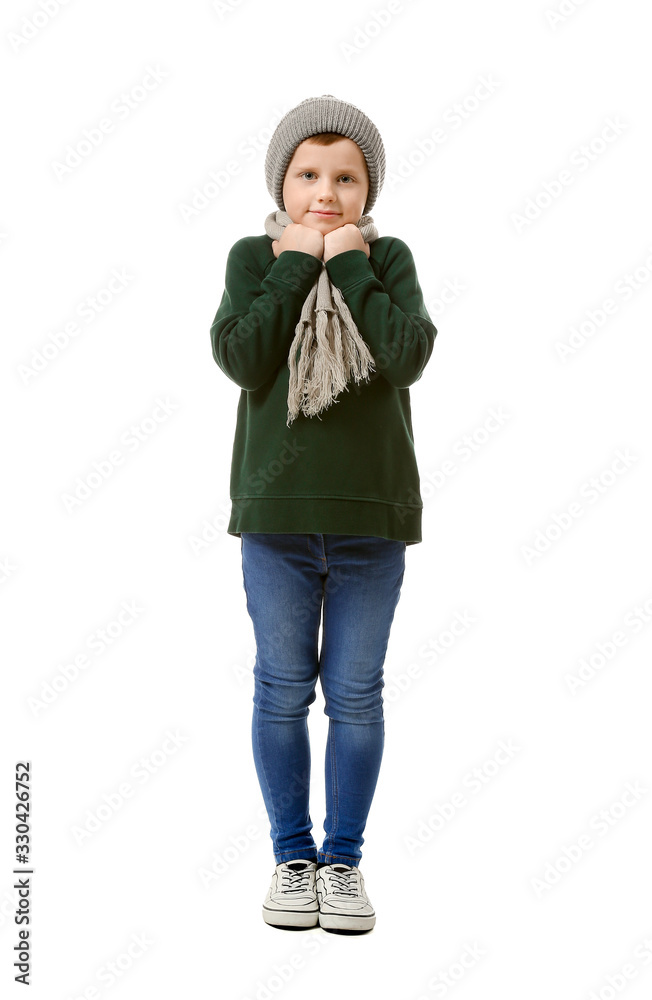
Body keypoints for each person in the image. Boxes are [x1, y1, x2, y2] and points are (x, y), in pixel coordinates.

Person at [209, 94, 437, 933]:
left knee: (356, 694)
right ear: (283, 179)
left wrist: (347, 263)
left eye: (346, 177)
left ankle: (343, 863)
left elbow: (407, 354)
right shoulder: (252, 257)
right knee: (279, 690)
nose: (326, 193)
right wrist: (295, 261)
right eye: (308, 175)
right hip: (275, 515)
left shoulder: (389, 260)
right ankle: (291, 857)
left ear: (369, 188)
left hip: (373, 516)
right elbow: (243, 355)